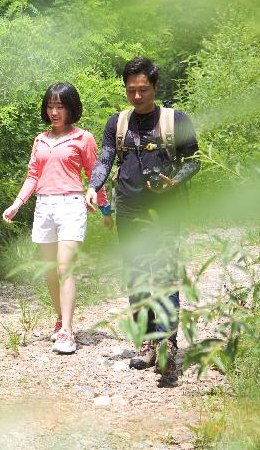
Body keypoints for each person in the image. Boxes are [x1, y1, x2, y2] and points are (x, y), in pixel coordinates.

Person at [85, 57, 200, 381]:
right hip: (129, 207)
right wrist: (93, 187)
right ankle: (148, 342)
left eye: (143, 90)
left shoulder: (175, 120)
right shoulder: (117, 123)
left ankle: (167, 343)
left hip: (166, 208)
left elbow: (195, 160)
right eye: (131, 90)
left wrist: (175, 180)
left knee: (164, 272)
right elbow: (106, 157)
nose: (137, 97)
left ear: (155, 87)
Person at [2, 82, 113, 355]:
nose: (54, 111)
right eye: (50, 106)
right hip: (44, 206)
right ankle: (60, 319)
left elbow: (94, 174)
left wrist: (106, 209)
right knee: (51, 271)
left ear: (71, 108)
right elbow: (33, 175)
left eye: (60, 106)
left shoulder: (83, 138)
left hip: (72, 205)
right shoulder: (40, 140)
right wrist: (17, 203)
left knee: (65, 268)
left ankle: (68, 331)